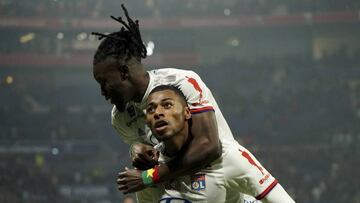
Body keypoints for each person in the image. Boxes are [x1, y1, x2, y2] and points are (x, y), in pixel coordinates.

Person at [92, 4, 294, 203]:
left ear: (124, 73)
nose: (102, 91)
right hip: (184, 190)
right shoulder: (120, 117)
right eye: (151, 110)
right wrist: (137, 151)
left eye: (104, 82)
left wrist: (149, 176)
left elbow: (209, 146)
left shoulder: (181, 82)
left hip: (224, 179)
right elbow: (150, 152)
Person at [117, 85, 295, 203]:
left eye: (167, 105)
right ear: (147, 122)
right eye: (150, 109)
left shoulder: (228, 155)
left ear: (187, 113)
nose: (158, 113)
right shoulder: (148, 171)